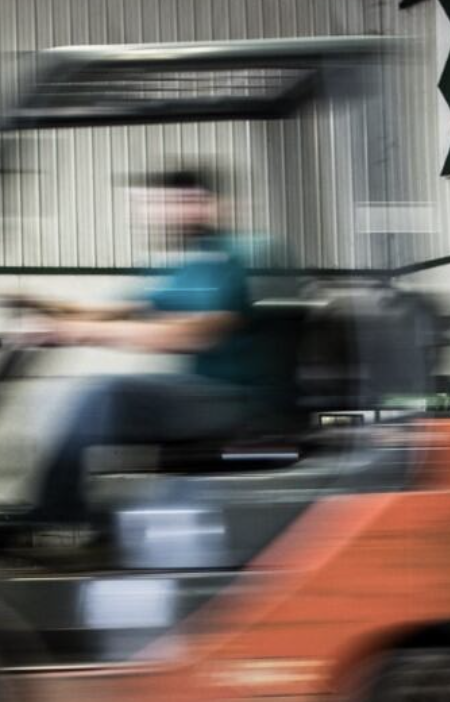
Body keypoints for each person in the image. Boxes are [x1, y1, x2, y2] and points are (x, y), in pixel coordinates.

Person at [17, 167, 276, 529]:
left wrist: (74, 331)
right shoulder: (191, 262)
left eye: (169, 204)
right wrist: (30, 302)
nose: (156, 214)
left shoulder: (236, 256)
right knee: (80, 396)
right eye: (154, 205)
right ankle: (61, 514)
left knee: (102, 395)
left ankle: (57, 518)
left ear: (203, 204)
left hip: (241, 400)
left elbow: (196, 333)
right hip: (206, 393)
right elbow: (114, 312)